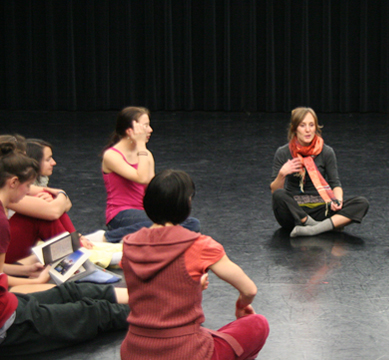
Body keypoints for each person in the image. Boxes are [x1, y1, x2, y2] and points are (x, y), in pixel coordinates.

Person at [120, 169, 269, 360]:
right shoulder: (198, 245)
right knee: (257, 323)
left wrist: (190, 285)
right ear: (187, 203)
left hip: (134, 352)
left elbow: (146, 290)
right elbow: (249, 290)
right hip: (186, 353)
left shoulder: (130, 244)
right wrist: (242, 306)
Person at [0, 141, 130, 356]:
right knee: (93, 313)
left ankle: (149, 297)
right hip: (9, 323)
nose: (28, 193)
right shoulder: (1, 222)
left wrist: (25, 272)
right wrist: (37, 281)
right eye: (27, 186)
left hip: (10, 306)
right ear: (13, 182)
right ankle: (160, 310)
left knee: (73, 291)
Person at [100, 106, 200, 243]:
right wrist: (141, 145)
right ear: (130, 130)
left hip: (145, 212)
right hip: (120, 214)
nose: (150, 130)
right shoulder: (111, 155)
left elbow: (151, 187)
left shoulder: (146, 154)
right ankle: (107, 238)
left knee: (192, 223)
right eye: (146, 126)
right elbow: (141, 177)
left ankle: (146, 238)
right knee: (157, 224)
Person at [270, 107, 369, 237]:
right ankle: (321, 225)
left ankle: (313, 229)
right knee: (279, 195)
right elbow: (274, 191)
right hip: (295, 212)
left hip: (321, 208)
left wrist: (337, 200)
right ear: (295, 129)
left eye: (311, 125)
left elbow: (335, 183)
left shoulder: (326, 152)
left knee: (362, 203)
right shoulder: (283, 153)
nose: (308, 130)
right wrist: (282, 174)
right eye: (302, 125)